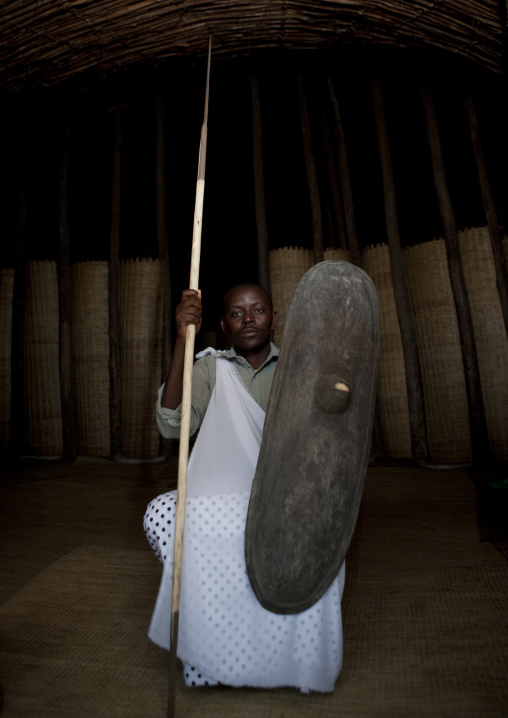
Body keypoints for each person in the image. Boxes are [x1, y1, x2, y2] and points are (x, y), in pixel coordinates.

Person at [144, 283, 346, 692]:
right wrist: (184, 340)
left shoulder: (297, 368)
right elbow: (171, 425)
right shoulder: (210, 367)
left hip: (281, 496)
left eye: (257, 310)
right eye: (237, 313)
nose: (248, 319)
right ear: (223, 324)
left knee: (322, 528)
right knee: (161, 514)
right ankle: (211, 652)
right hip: (221, 496)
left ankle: (294, 660)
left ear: (274, 319)